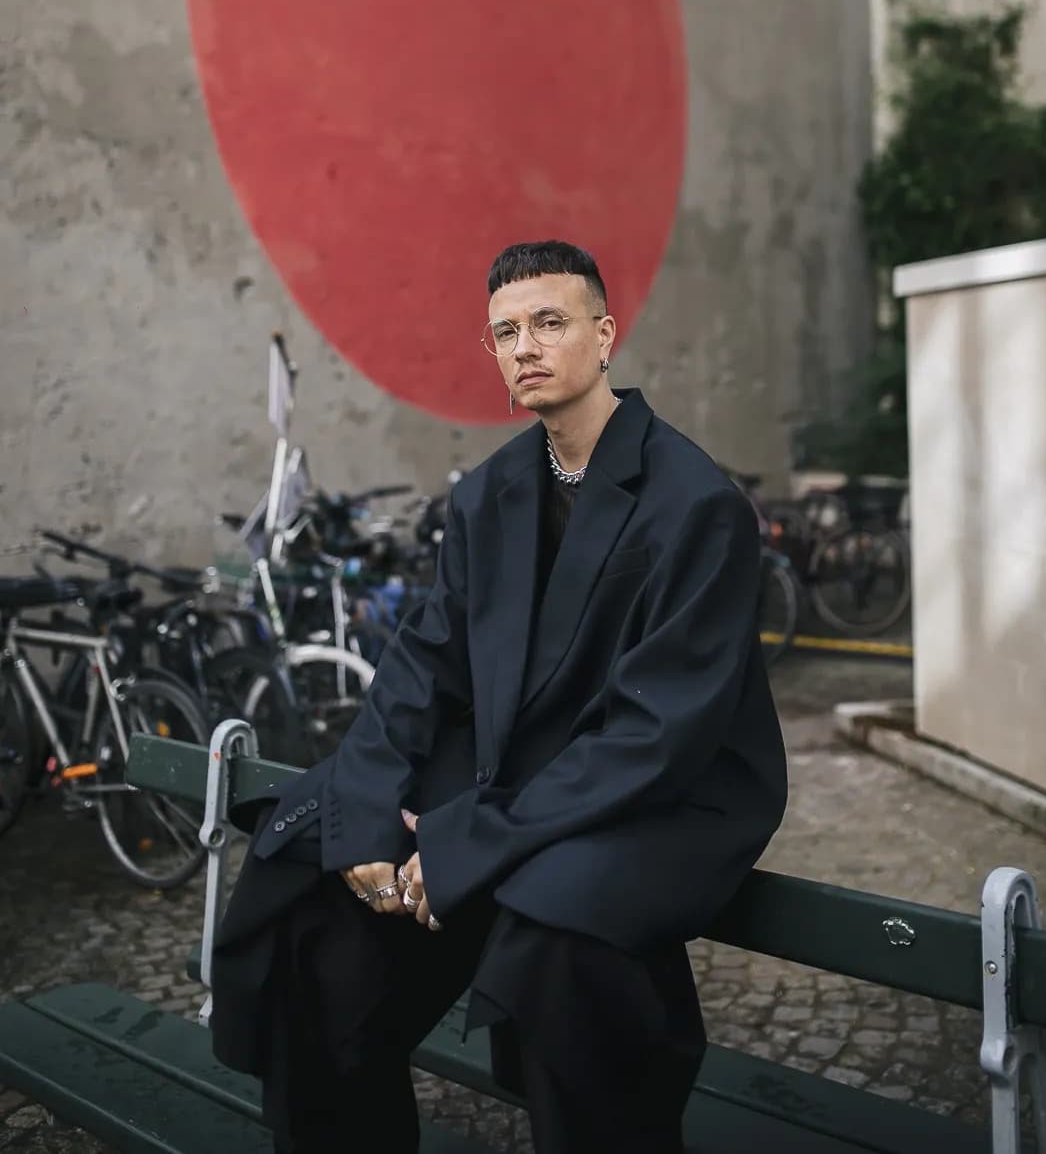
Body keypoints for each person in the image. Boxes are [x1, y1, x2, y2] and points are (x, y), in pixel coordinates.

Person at [211, 240, 787, 1154]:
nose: (525, 345)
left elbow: (657, 734)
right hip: (518, 761)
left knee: (562, 936)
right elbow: (421, 666)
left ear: (603, 336)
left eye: (549, 322)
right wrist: (364, 811)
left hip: (667, 790)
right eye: (505, 331)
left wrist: (468, 840)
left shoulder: (694, 502)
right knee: (312, 880)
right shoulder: (491, 494)